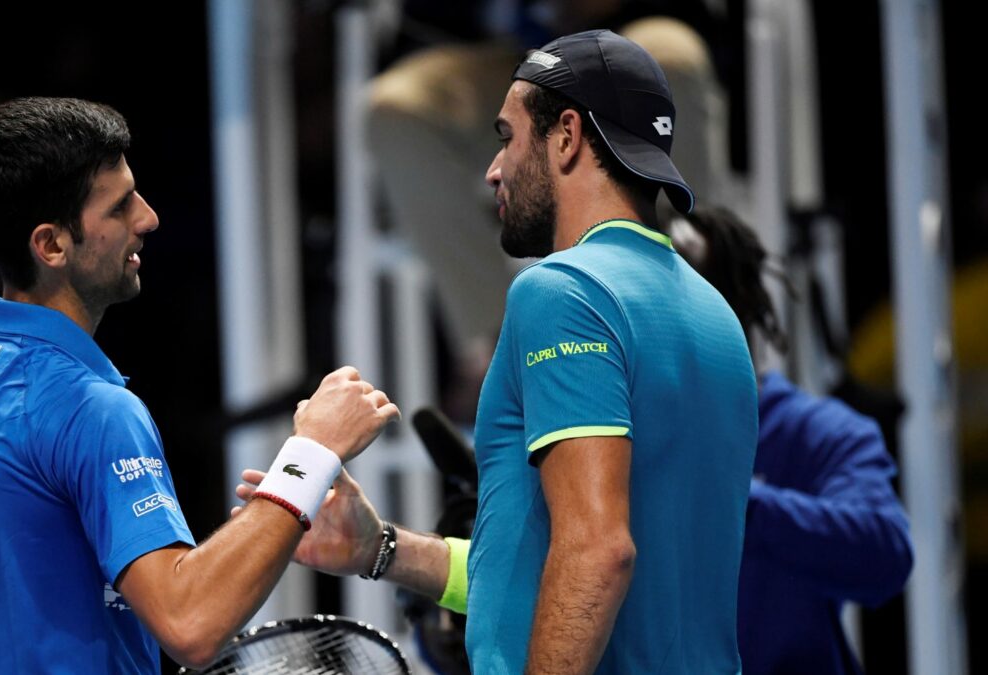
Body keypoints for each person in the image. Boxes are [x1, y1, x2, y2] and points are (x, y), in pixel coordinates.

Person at [241, 30, 757, 673]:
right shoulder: (716, 316)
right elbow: (556, 572)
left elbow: (597, 551)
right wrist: (383, 549)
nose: (491, 169)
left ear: (567, 136)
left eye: (507, 137)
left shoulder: (562, 292)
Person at [0, 97, 400, 674]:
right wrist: (311, 454)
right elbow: (190, 624)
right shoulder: (95, 411)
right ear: (51, 245)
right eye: (119, 208)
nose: (148, 218)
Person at [664, 205, 913, 675]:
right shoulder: (613, 438)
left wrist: (740, 502)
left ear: (734, 307)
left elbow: (885, 555)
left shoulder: (814, 432)